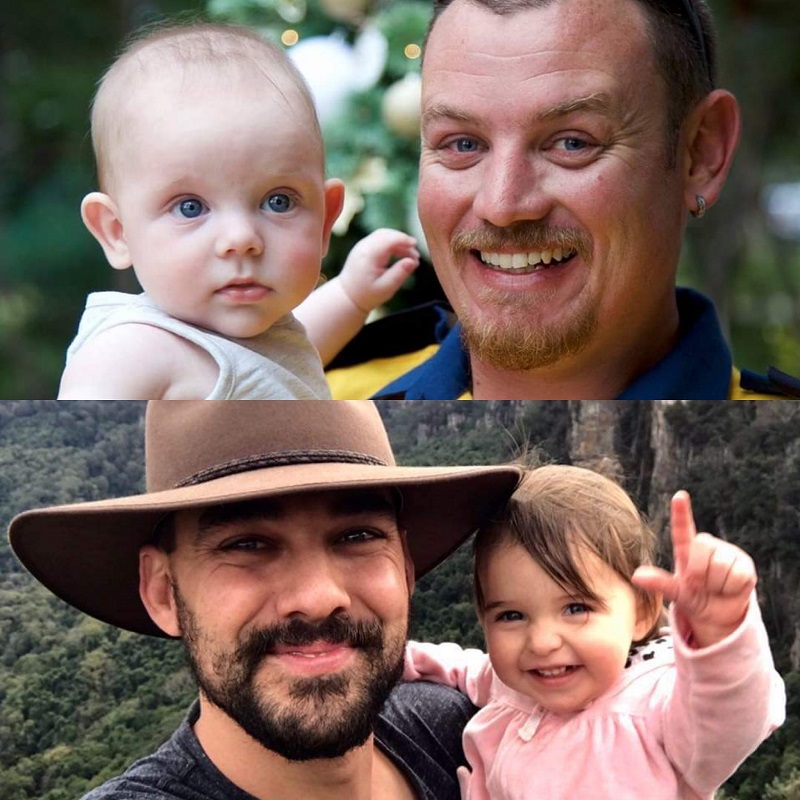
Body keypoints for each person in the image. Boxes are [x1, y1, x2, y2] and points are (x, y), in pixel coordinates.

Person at [7, 401, 522, 800]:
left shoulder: (470, 732)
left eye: (358, 535)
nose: (319, 598)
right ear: (164, 593)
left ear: (405, 566)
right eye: (247, 545)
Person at [325, 0, 800, 400]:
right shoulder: (309, 398)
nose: (503, 205)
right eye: (463, 144)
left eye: (573, 142)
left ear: (701, 153)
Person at [57, 22, 420, 400]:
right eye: (190, 207)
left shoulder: (259, 335)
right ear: (117, 232)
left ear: (326, 220)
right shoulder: (130, 352)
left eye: (278, 201)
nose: (241, 239)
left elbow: (286, 363)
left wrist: (351, 295)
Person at [404, 466, 786, 799]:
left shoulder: (658, 705)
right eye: (511, 616)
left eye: (576, 608)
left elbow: (729, 721)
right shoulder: (512, 684)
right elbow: (464, 668)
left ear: (642, 611)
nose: (542, 642)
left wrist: (720, 636)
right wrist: (398, 658)